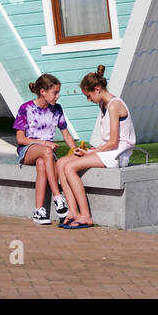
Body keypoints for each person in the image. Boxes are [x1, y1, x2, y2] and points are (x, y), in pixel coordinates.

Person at [56, 66, 136, 229]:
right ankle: (73, 212)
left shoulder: (114, 105)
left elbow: (114, 142)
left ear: (97, 89)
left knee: (70, 167)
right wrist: (91, 151)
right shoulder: (103, 105)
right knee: (61, 164)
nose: (89, 99)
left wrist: (90, 152)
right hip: (108, 151)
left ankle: (85, 215)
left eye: (89, 95)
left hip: (118, 154)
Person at [13, 74, 76, 224]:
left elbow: (66, 134)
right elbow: (20, 139)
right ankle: (58, 197)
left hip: (46, 156)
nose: (57, 96)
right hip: (27, 150)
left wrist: (75, 150)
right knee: (46, 151)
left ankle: (39, 212)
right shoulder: (26, 108)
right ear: (43, 92)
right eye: (55, 93)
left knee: (42, 163)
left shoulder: (57, 109)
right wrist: (44, 143)